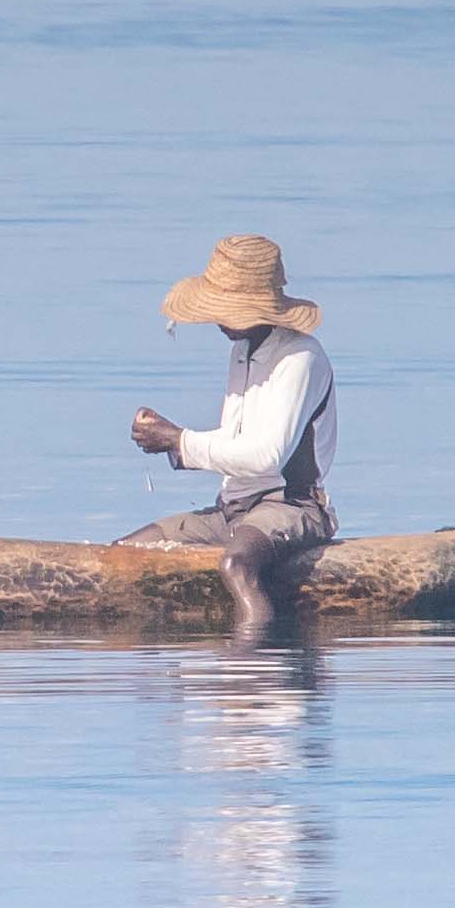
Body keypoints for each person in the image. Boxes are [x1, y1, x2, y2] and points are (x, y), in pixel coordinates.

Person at [126, 233, 336, 644]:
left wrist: (179, 440)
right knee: (129, 551)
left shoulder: (300, 358)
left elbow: (266, 457)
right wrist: (172, 441)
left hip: (292, 506)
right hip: (234, 509)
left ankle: (256, 659)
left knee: (236, 566)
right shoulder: (242, 351)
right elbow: (234, 439)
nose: (217, 319)